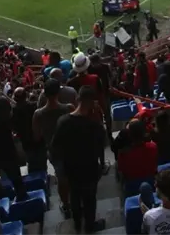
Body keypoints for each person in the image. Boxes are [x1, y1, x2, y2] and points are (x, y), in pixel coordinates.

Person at [51, 86, 107, 234]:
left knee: (75, 197)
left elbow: (55, 148)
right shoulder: (94, 125)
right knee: (89, 200)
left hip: (70, 169)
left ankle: (77, 225)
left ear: (77, 99)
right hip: (90, 169)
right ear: (93, 102)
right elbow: (102, 145)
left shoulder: (63, 121)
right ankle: (89, 227)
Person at [32, 79, 73, 217]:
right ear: (58, 92)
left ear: (44, 93)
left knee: (61, 178)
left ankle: (66, 205)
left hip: (54, 151)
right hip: (71, 149)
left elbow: (37, 137)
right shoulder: (69, 108)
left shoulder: (38, 114)